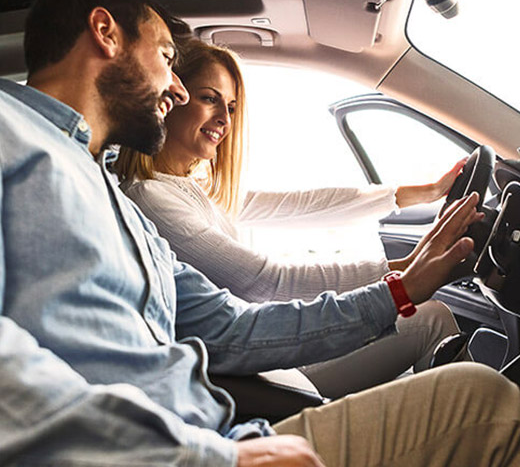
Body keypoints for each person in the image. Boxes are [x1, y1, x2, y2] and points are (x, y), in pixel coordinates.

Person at [1, 0, 520, 467]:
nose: (177, 89)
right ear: (105, 33)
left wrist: (400, 290)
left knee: (478, 396)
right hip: (180, 452)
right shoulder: (13, 135)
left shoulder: (118, 205)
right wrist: (208, 458)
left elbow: (234, 327)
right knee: (484, 408)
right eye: (165, 56)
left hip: (219, 437)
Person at [115, 39, 469, 396]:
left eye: (232, 107)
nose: (224, 119)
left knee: (427, 322)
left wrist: (427, 192)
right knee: (432, 320)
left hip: (271, 354)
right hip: (267, 366)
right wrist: (403, 270)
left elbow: (307, 204)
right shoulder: (151, 198)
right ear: (171, 97)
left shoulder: (195, 188)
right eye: (210, 98)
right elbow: (268, 283)